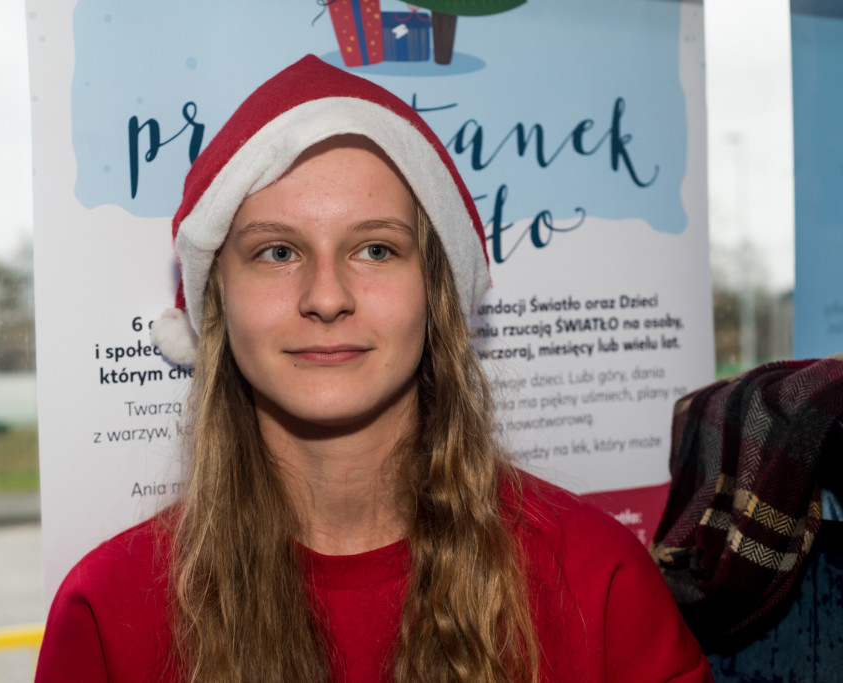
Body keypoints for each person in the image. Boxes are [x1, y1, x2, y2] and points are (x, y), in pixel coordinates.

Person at [36, 55, 712, 683]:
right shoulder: (107, 613)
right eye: (277, 252)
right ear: (219, 303)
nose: (327, 297)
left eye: (377, 249)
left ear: (435, 294)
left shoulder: (599, 582)